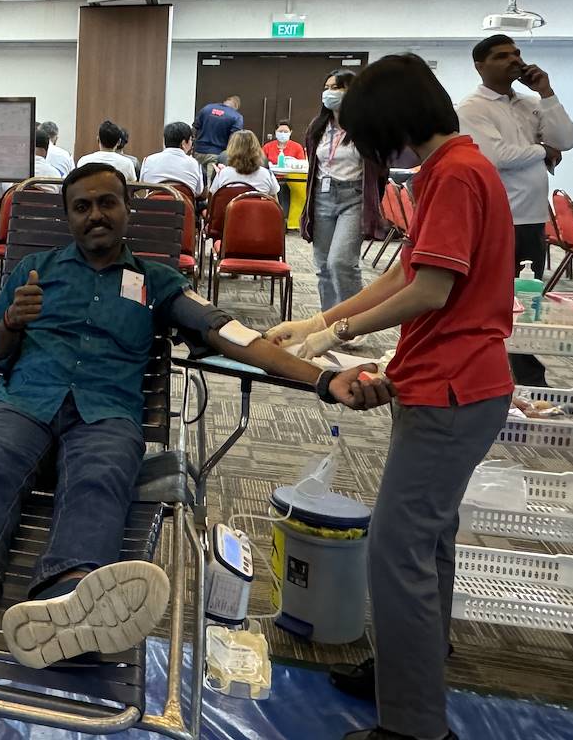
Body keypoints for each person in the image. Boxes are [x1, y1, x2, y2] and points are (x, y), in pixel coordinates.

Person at [0, 163, 388, 669]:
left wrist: (321, 378)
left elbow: (229, 334)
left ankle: (68, 600)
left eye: (107, 203)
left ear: (127, 208)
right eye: (82, 207)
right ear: (68, 217)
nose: (95, 215)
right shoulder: (33, 271)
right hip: (25, 400)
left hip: (106, 413)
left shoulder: (157, 282)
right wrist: (11, 322)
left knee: (101, 478)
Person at [268, 54, 516, 740]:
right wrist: (319, 322)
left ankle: (412, 726)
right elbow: (410, 271)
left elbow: (430, 291)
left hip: (454, 389)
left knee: (396, 553)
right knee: (426, 546)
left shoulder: (457, 174)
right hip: (449, 381)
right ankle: (412, 668)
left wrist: (338, 331)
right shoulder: (451, 167)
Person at [457, 35, 573, 388]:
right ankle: (499, 375)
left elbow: (567, 140)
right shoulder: (472, 108)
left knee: (526, 303)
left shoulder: (531, 103)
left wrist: (547, 93)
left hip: (532, 218)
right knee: (493, 304)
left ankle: (522, 378)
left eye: (516, 54)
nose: (514, 60)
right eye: (502, 56)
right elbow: (497, 157)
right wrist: (542, 150)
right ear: (480, 66)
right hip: (499, 218)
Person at [300, 69, 387, 313]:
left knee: (341, 263)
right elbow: (314, 162)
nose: (329, 93)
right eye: (327, 87)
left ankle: (352, 321)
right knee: (323, 266)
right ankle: (329, 319)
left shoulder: (367, 128)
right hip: (322, 196)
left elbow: (380, 168)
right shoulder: (318, 127)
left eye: (337, 88)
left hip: (354, 198)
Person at [140, 122, 205, 198]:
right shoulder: (194, 164)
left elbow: (142, 184)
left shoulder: (148, 160)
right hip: (183, 205)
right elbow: (198, 192)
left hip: (152, 204)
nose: (192, 143)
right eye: (191, 139)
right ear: (183, 143)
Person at [211, 130, 279, 196]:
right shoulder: (267, 175)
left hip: (229, 204)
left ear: (231, 149)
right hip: (257, 204)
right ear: (256, 149)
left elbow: (212, 198)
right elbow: (274, 202)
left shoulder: (223, 174)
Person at [192, 95, 243, 173]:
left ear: (225, 102)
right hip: (216, 155)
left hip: (198, 152)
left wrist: (192, 147)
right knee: (211, 180)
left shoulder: (207, 108)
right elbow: (234, 139)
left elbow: (194, 128)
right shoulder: (236, 116)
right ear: (236, 107)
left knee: (196, 178)